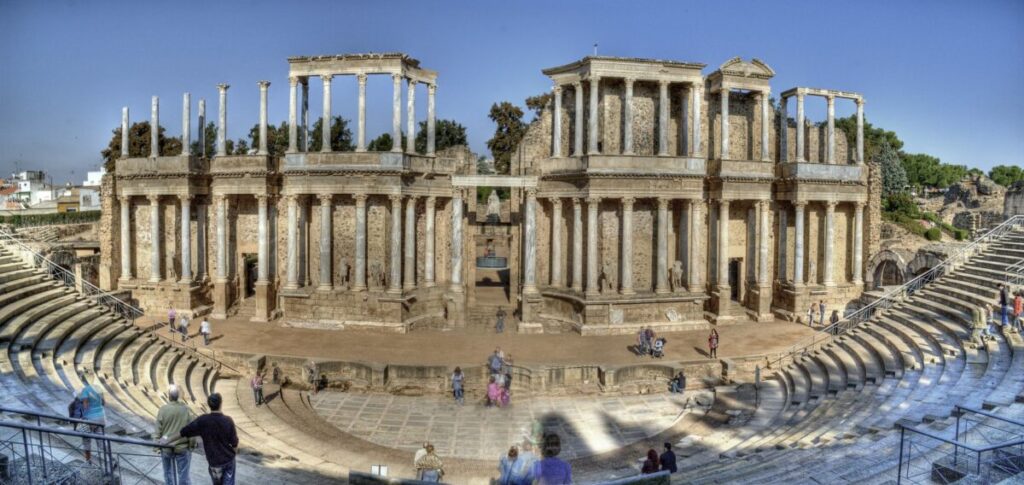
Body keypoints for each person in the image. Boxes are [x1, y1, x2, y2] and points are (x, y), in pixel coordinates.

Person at [179, 393, 238, 485]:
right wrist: (233, 454)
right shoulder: (228, 420)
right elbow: (234, 443)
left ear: (209, 405)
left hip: (214, 462)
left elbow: (184, 432)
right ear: (221, 403)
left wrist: (168, 439)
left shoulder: (203, 420)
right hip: (228, 460)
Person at [155, 385, 196, 485]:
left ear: (169, 396)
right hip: (183, 448)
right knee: (183, 475)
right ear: (178, 396)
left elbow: (158, 430)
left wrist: (156, 447)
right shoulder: (185, 410)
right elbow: (191, 430)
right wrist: (191, 445)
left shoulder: (163, 410)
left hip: (166, 447)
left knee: (168, 473)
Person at [79, 381, 106, 463]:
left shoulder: (85, 390)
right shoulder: (98, 388)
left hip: (89, 418)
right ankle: (109, 459)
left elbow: (85, 405)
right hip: (101, 418)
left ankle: (88, 460)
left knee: (86, 439)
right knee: (101, 440)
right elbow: (103, 402)